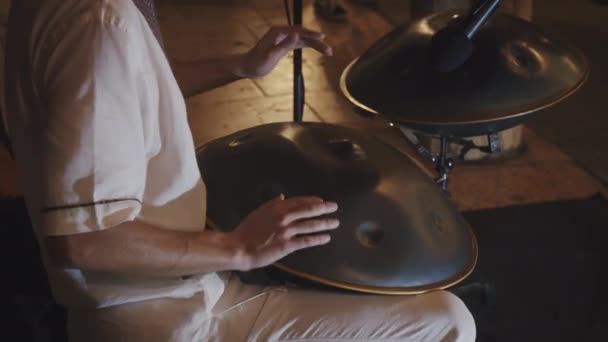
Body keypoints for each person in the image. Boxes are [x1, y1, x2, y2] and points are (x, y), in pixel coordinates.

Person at [3, 0, 476, 341]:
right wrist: (237, 247)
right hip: (162, 317)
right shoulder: (99, 21)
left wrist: (241, 65)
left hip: (167, 294)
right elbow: (83, 240)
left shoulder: (47, 11)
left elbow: (127, 84)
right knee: (445, 322)